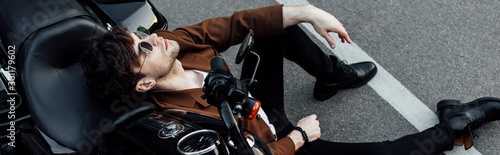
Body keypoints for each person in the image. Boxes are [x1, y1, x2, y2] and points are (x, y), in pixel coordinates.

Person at [80, 4, 500, 155]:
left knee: (269, 30)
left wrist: (306, 10)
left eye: (142, 37)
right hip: (271, 142)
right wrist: (297, 138)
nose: (152, 38)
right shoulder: (176, 122)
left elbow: (235, 24)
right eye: (143, 49)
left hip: (254, 105)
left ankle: (331, 74)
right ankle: (457, 124)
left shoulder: (173, 43)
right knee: (388, 154)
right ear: (144, 85)